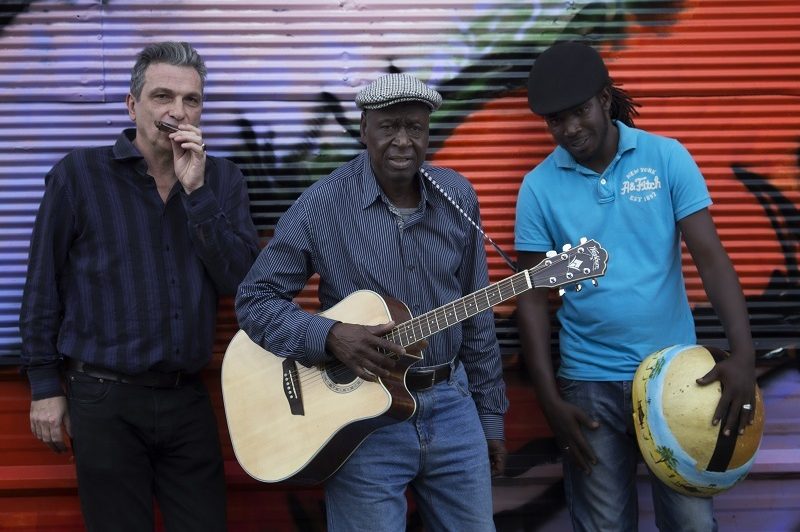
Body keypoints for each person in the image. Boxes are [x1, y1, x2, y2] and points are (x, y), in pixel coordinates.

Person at [235, 73, 508, 531]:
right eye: (389, 126)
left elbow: (477, 314)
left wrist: (490, 417)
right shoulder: (322, 205)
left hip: (452, 406)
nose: (403, 141)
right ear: (364, 129)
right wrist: (329, 335)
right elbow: (255, 299)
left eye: (416, 128)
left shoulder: (457, 196)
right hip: (364, 420)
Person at [515, 41, 757, 531]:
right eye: (556, 120)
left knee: (690, 522)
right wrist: (548, 398)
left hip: (677, 378)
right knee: (604, 525)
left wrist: (744, 356)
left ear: (604, 99)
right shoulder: (538, 188)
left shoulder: (665, 158)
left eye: (579, 111)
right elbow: (532, 298)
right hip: (589, 385)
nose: (571, 129)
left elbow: (710, 260)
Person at [20, 41, 260, 531]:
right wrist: (44, 386)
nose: (177, 111)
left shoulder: (223, 180)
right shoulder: (78, 176)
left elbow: (240, 280)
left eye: (191, 100)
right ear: (133, 105)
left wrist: (197, 193)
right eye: (162, 96)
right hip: (103, 398)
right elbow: (42, 285)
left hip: (187, 398)